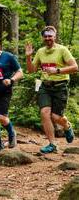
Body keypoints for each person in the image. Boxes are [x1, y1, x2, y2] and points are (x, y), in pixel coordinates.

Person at [25, 26, 78, 154]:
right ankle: (52, 144)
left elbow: (75, 67)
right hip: (45, 86)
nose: (48, 38)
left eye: (50, 36)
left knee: (56, 117)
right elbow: (31, 70)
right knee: (44, 113)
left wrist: (57, 70)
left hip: (60, 86)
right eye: (46, 36)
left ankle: (67, 126)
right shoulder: (41, 52)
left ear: (54, 36)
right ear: (43, 37)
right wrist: (28, 57)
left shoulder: (62, 50)